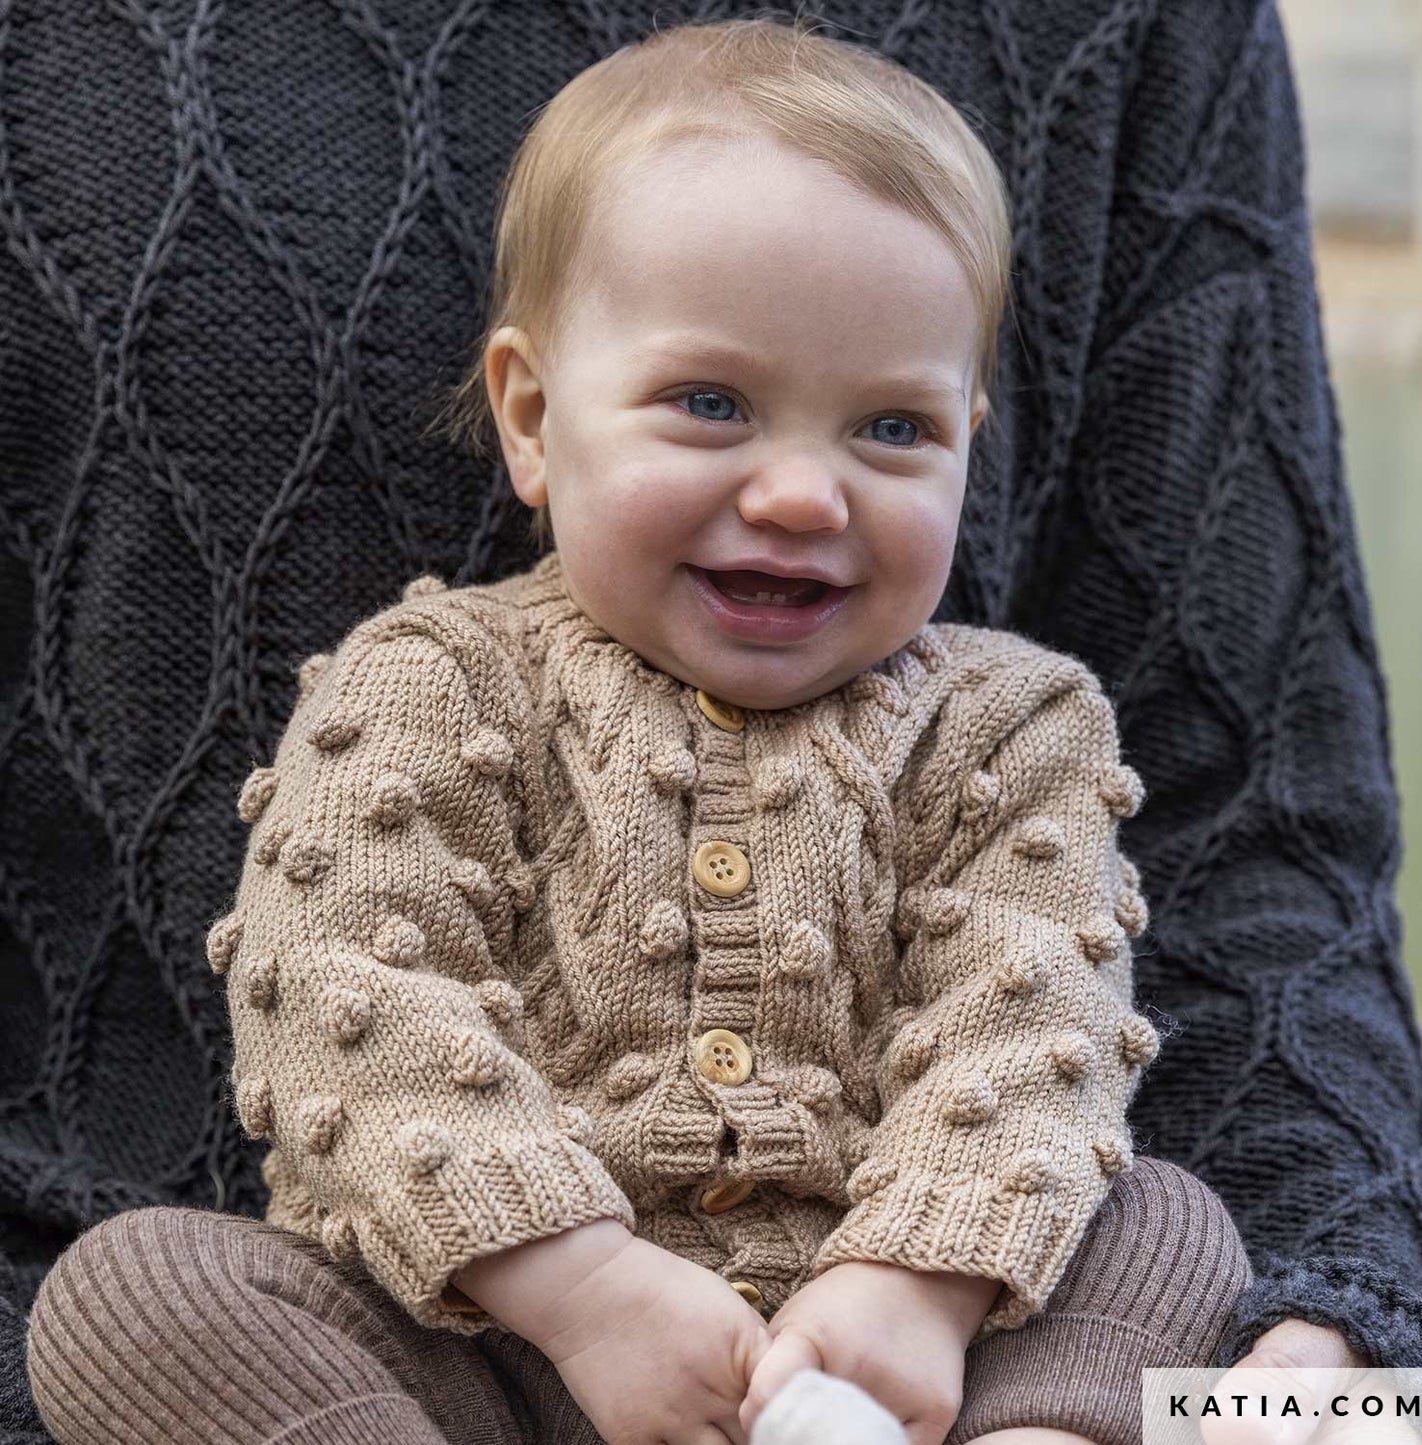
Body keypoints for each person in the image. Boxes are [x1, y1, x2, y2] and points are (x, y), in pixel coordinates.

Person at [21, 14, 1256, 1445]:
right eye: (710, 404)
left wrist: (916, 1282)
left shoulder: (1014, 719)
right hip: (499, 1345)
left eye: (894, 430)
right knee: (135, 1291)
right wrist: (582, 1282)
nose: (804, 492)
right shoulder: (428, 682)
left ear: (972, 440)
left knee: (1163, 1224)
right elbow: (342, 995)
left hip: (900, 1355)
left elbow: (1031, 1015)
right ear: (535, 418)